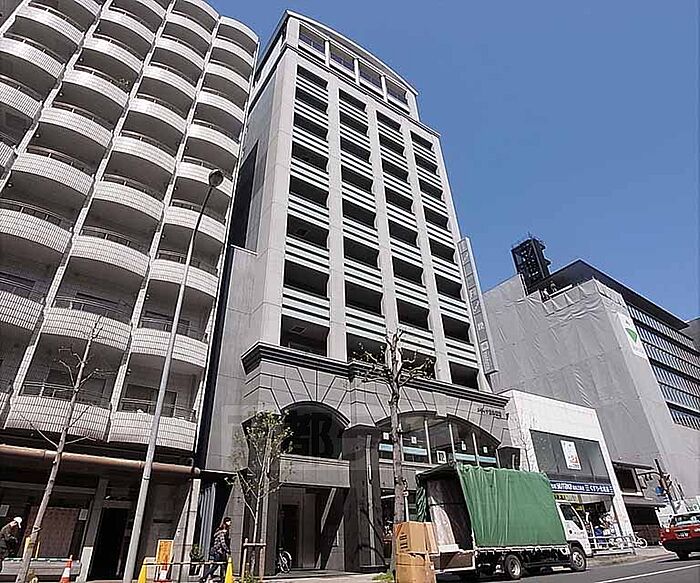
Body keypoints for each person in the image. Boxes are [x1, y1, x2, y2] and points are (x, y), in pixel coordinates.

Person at [199, 518, 231, 583]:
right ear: (226, 522)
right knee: (216, 566)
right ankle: (204, 577)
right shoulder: (222, 532)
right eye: (229, 521)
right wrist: (227, 550)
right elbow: (222, 543)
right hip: (218, 552)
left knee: (222, 565)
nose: (230, 523)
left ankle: (222, 579)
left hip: (221, 552)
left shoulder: (224, 531)